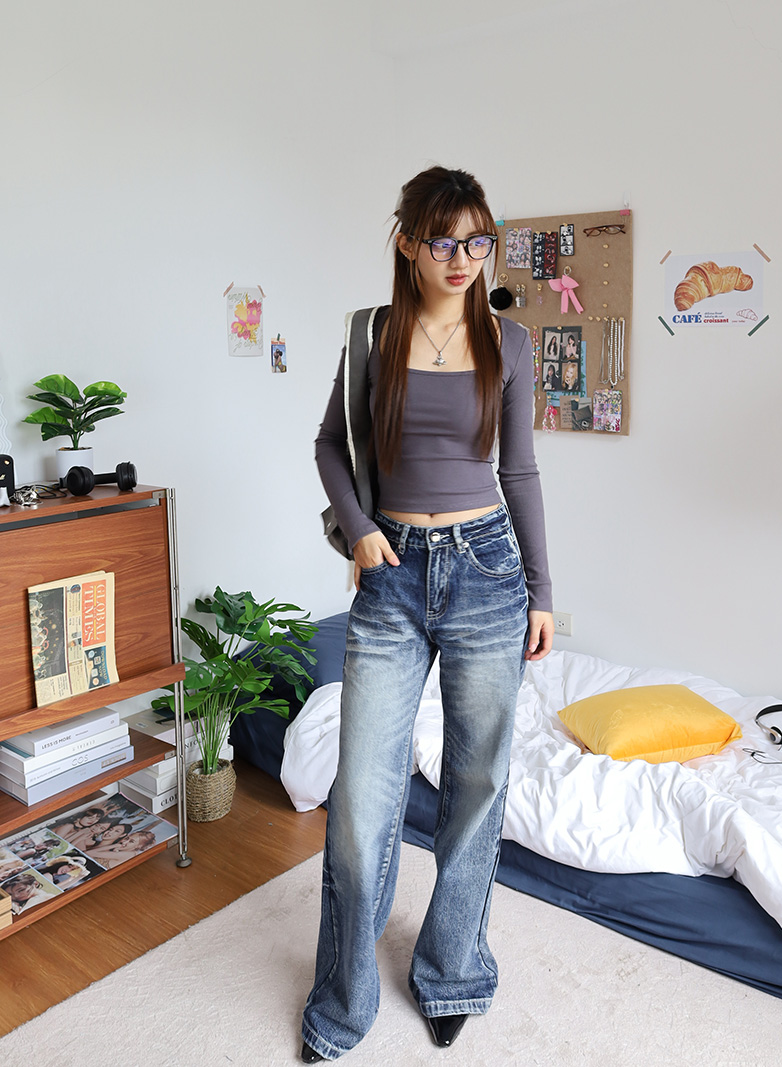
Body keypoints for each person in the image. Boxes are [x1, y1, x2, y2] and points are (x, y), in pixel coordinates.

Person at [304, 166, 553, 1062]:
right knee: (361, 804)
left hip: (487, 569)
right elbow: (331, 444)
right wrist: (361, 529)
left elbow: (519, 471)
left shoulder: (510, 341)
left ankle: (452, 971)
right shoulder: (370, 334)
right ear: (407, 241)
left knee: (477, 786)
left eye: (478, 241)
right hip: (392, 575)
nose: (463, 258)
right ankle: (342, 1003)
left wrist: (544, 591)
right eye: (444, 241)